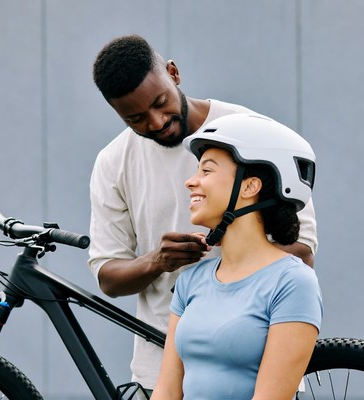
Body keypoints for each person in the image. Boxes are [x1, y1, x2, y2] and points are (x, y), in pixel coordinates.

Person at [88, 34, 318, 393]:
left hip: (254, 357)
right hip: (161, 363)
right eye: (135, 118)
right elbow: (108, 275)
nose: (156, 121)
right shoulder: (113, 162)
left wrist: (228, 262)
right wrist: (157, 262)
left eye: (160, 102)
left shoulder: (251, 131)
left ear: (173, 73)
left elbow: (301, 251)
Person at [151, 113, 323, 400]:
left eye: (206, 171)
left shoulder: (293, 282)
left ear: (249, 186)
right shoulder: (192, 280)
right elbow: (166, 391)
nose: (191, 182)